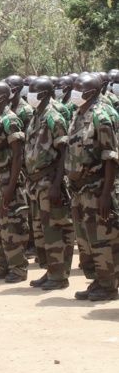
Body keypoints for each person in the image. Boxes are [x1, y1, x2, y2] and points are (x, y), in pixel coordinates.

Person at [66, 74, 119, 301]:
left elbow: (110, 158)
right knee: (87, 241)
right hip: (79, 190)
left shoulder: (101, 117)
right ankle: (97, 280)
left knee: (102, 241)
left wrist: (106, 194)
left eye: (79, 87)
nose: (75, 90)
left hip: (97, 189)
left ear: (92, 91)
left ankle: (108, 286)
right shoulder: (78, 115)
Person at [24, 77, 74, 290]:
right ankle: (50, 270)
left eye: (33, 91)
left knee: (54, 229)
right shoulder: (38, 115)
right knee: (41, 230)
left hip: (49, 181)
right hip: (36, 183)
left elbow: (64, 153)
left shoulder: (54, 117)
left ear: (43, 94)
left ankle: (59, 276)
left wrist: (56, 184)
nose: (29, 95)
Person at [0, 82, 29, 282]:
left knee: (11, 225)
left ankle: (18, 269)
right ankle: (3, 265)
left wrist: (11, 186)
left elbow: (18, 155)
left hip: (7, 178)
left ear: (3, 97)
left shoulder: (10, 120)